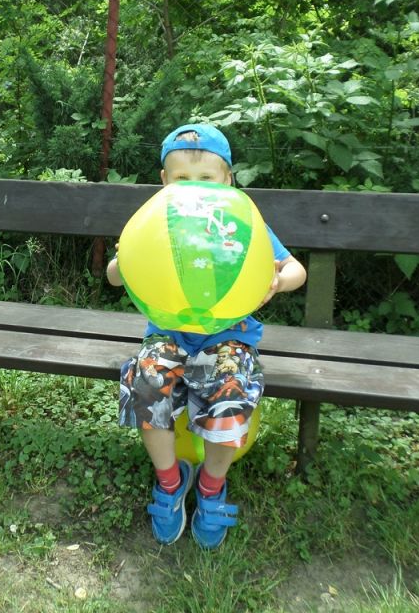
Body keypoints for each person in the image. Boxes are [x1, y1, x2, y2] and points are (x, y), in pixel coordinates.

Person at [107, 123, 306, 549]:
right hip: (169, 333)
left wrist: (278, 280)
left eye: (206, 178)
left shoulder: (239, 222)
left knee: (230, 389)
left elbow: (295, 269)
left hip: (228, 336)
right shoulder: (157, 221)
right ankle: (170, 481)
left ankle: (212, 486)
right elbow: (114, 275)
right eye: (182, 178)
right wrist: (124, 261)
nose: (194, 186)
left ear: (228, 180)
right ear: (164, 180)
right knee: (146, 382)